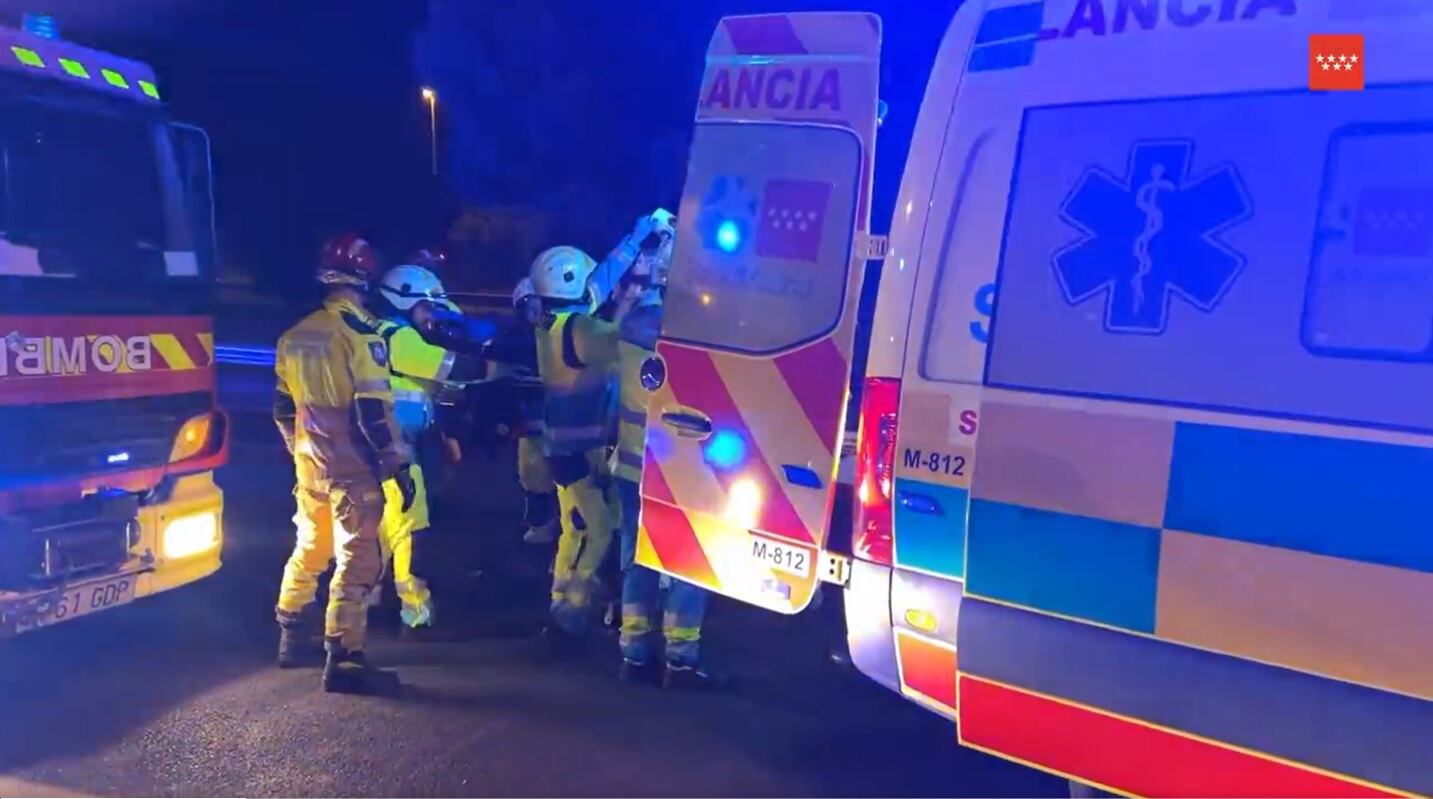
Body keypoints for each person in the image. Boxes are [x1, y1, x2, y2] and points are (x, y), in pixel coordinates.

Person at [273, 232, 416, 695]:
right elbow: (373, 412)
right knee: (359, 554)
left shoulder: (293, 336)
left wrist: (301, 448)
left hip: (309, 462)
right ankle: (345, 656)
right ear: (364, 278)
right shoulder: (361, 335)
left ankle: (291, 634)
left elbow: (282, 409)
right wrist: (396, 462)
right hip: (352, 464)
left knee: (312, 544)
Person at [531, 211, 672, 641]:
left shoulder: (555, 323)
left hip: (558, 450)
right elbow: (626, 339)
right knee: (603, 526)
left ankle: (558, 597)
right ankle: (574, 606)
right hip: (577, 452)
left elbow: (600, 284)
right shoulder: (580, 329)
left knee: (573, 525)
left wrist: (633, 240)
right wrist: (642, 301)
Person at [608, 229, 718, 689]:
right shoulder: (694, 333)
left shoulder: (630, 325)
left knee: (638, 560)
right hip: (681, 470)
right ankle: (681, 658)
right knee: (686, 561)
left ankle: (634, 654)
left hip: (631, 465)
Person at [371, 259, 489, 639]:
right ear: (405, 302)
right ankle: (414, 610)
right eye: (427, 308)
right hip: (399, 448)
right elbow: (461, 369)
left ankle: (368, 600)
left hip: (383, 445)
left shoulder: (379, 331)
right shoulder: (400, 338)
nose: (431, 317)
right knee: (409, 525)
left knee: (381, 527)